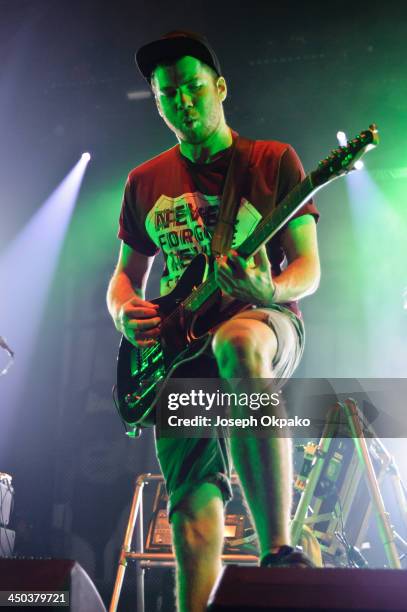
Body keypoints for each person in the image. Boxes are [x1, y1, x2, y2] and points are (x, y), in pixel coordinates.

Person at [107, 31, 321, 612]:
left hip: (261, 321)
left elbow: (308, 268)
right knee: (191, 496)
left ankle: (278, 549)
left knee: (238, 342)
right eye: (169, 94)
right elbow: (125, 277)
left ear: (220, 88)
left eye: (194, 88)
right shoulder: (144, 181)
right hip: (179, 352)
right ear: (157, 103)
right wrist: (124, 312)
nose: (183, 102)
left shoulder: (272, 161)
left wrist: (268, 287)